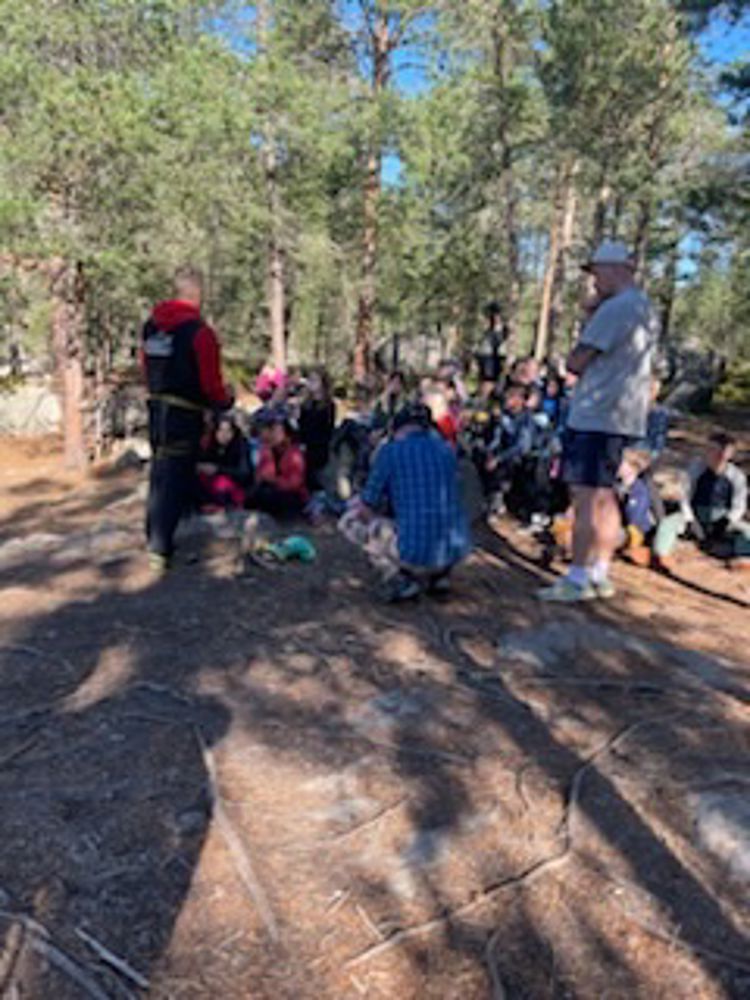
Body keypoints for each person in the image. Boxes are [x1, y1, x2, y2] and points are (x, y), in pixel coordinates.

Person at [539, 240, 659, 602]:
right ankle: (598, 573)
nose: (593, 282)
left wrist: (587, 323)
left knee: (585, 496)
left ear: (614, 268)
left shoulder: (616, 309)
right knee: (606, 494)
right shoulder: (644, 307)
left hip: (596, 412)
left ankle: (576, 577)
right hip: (623, 416)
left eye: (596, 273)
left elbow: (577, 361)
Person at [142, 266, 233, 572]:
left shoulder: (152, 327)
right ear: (197, 293)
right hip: (184, 413)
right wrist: (223, 401)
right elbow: (210, 381)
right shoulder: (199, 332)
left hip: (156, 410)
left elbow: (146, 367)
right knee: (175, 475)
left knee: (159, 471)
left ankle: (154, 535)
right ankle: (160, 547)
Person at [351, 402, 471, 601]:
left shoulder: (390, 452)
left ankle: (402, 579)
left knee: (352, 520)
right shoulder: (447, 450)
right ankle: (440, 577)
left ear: (397, 427)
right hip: (455, 548)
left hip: (413, 550)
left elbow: (368, 501)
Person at [653, 432, 750, 571]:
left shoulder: (736, 476)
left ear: (730, 454)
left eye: (722, 452)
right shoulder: (696, 469)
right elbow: (684, 496)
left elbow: (739, 504)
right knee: (668, 524)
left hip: (722, 518)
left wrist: (726, 521)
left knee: (747, 532)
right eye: (712, 450)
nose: (716, 455)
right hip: (695, 515)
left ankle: (744, 558)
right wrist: (690, 519)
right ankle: (661, 555)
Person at [248, 410, 308, 517]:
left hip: (291, 494)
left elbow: (295, 483)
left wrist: (274, 480)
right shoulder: (267, 449)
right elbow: (260, 471)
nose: (274, 434)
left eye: (278, 430)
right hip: (270, 488)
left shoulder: (294, 453)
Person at [197, 414, 252, 511]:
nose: (224, 434)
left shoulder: (241, 445)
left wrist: (218, 469)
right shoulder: (212, 445)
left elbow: (244, 473)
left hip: (236, 486)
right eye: (220, 430)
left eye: (228, 431)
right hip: (214, 483)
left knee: (221, 483)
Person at [299, 370, 336, 492]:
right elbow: (302, 426)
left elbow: (327, 430)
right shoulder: (305, 404)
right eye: (310, 380)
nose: (312, 384)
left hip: (319, 447)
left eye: (315, 380)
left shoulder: (328, 405)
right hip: (305, 445)